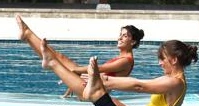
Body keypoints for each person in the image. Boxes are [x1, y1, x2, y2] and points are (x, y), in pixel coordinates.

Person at [24, 17, 199, 106]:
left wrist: (101, 80)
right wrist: (101, 80)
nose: (160, 64)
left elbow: (140, 86)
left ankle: (50, 61)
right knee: (108, 99)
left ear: (174, 60)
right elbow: (141, 84)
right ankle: (35, 44)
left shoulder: (174, 82)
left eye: (163, 59)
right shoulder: (173, 79)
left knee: (97, 93)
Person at [16, 15, 144, 97]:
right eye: (120, 34)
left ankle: (28, 35)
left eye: (125, 36)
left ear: (132, 42)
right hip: (89, 85)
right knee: (58, 57)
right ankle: (27, 35)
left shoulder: (126, 61)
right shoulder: (123, 58)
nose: (120, 38)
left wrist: (72, 72)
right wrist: (74, 75)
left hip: (92, 93)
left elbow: (98, 69)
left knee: (56, 60)